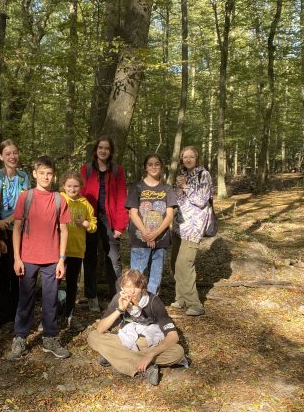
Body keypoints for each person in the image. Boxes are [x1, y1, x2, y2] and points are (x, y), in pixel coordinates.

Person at [7, 156, 72, 360]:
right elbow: (16, 228)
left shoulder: (59, 199)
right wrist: (17, 258)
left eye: (49, 173)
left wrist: (62, 259)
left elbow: (64, 230)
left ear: (54, 176)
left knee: (50, 299)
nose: (45, 176)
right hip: (28, 257)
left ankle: (50, 337)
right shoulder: (25, 197)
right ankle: (20, 338)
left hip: (52, 259)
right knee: (25, 299)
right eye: (41, 172)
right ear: (34, 174)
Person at [87, 269, 187, 386]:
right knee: (93, 336)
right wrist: (120, 310)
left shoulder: (153, 301)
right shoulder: (118, 299)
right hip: (126, 340)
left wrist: (151, 355)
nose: (131, 291)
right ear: (122, 288)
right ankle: (146, 368)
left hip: (150, 343)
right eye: (127, 287)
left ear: (143, 289)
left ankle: (112, 356)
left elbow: (173, 336)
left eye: (135, 287)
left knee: (177, 352)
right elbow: (100, 329)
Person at [79, 136, 128, 311]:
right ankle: (91, 296)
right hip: (90, 217)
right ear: (96, 150)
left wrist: (120, 226)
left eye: (107, 148)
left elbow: (123, 198)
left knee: (113, 258)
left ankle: (117, 296)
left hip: (110, 218)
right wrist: (82, 220)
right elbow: (80, 194)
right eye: (100, 147)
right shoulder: (86, 170)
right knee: (90, 257)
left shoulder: (117, 171)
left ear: (111, 151)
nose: (103, 151)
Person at [125, 154, 178, 295]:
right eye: (150, 164)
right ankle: (133, 307)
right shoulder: (137, 187)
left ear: (161, 167)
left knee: (155, 277)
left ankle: (151, 305)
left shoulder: (166, 189)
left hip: (161, 239)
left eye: (157, 164)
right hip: (139, 239)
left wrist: (155, 234)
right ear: (145, 168)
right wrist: (146, 234)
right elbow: (133, 214)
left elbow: (169, 215)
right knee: (136, 276)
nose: (153, 167)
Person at [0, 140, 31, 329]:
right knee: (5, 273)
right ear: (1, 157)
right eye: (8, 154)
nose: (12, 157)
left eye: (15, 153)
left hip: (23, 230)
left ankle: (18, 312)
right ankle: (3, 315)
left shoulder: (24, 177)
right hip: (4, 231)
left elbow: (28, 203)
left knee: (20, 272)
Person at [170, 146, 213, 317]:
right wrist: (179, 189)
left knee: (184, 263)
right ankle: (181, 298)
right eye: (184, 157)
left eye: (191, 157)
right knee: (174, 262)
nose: (187, 160)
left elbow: (202, 201)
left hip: (194, 227)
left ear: (197, 158)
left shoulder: (204, 175)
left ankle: (195, 304)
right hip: (179, 225)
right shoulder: (182, 175)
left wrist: (186, 186)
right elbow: (178, 200)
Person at [59, 171, 97, 333]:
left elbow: (94, 226)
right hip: (58, 250)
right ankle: (52, 315)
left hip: (76, 249)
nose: (72, 189)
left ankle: (69, 316)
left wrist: (86, 224)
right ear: (63, 186)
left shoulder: (85, 203)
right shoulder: (59, 199)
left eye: (76, 186)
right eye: (69, 186)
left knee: (72, 284)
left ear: (80, 187)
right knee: (54, 283)